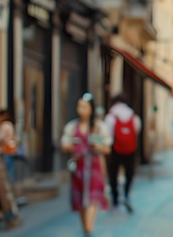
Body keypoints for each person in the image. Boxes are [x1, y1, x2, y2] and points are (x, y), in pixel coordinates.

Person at [60, 92, 111, 237]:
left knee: (92, 201)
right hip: (78, 171)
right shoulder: (72, 127)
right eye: (79, 106)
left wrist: (98, 147)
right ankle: (86, 231)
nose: (81, 109)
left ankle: (88, 230)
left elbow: (107, 148)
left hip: (94, 170)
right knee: (81, 203)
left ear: (91, 109)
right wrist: (70, 145)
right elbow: (64, 145)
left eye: (84, 106)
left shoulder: (99, 127)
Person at [104, 94, 141, 214]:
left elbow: (107, 134)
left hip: (115, 149)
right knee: (129, 173)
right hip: (130, 149)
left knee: (113, 175)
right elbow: (137, 129)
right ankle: (126, 194)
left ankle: (115, 200)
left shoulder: (111, 116)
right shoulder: (133, 115)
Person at [0, 109, 18, 182]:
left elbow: (0, 138)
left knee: (6, 169)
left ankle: (7, 186)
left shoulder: (3, 125)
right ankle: (11, 184)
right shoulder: (10, 124)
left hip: (6, 149)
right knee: (11, 168)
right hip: (12, 148)